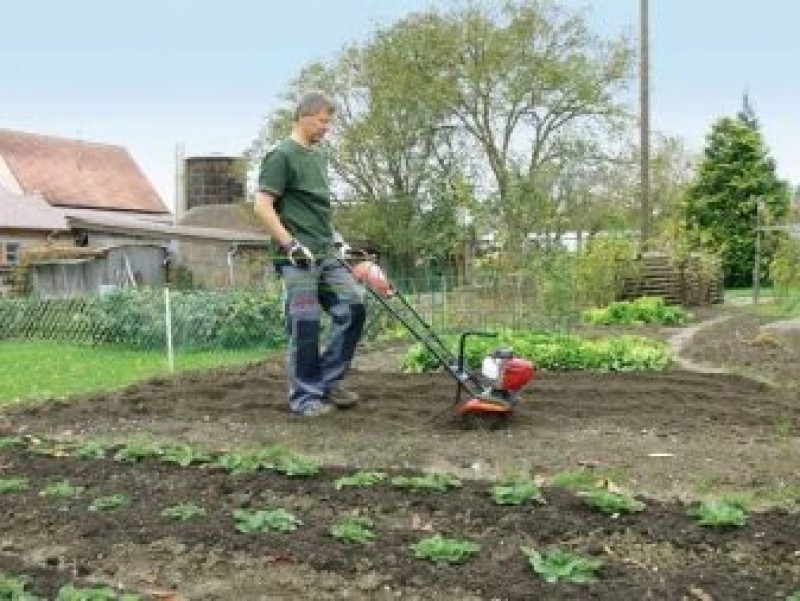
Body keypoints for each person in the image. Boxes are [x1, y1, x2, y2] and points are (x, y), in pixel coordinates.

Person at [254, 92, 366, 418]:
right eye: (323, 121)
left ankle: (329, 381)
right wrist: (290, 244)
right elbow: (262, 206)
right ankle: (305, 397)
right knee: (305, 320)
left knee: (353, 307)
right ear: (304, 117)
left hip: (326, 252)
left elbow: (318, 210)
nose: (326, 128)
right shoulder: (281, 156)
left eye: (328, 122)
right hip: (297, 258)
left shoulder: (318, 158)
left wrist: (339, 241)